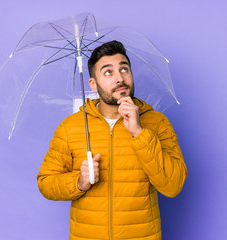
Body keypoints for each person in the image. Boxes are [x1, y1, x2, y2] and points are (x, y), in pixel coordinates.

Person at [37, 40, 187, 240]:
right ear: (93, 84)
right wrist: (79, 182)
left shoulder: (157, 123)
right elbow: (46, 183)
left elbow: (173, 186)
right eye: (108, 72)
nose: (119, 78)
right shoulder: (70, 127)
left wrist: (139, 133)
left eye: (124, 69)